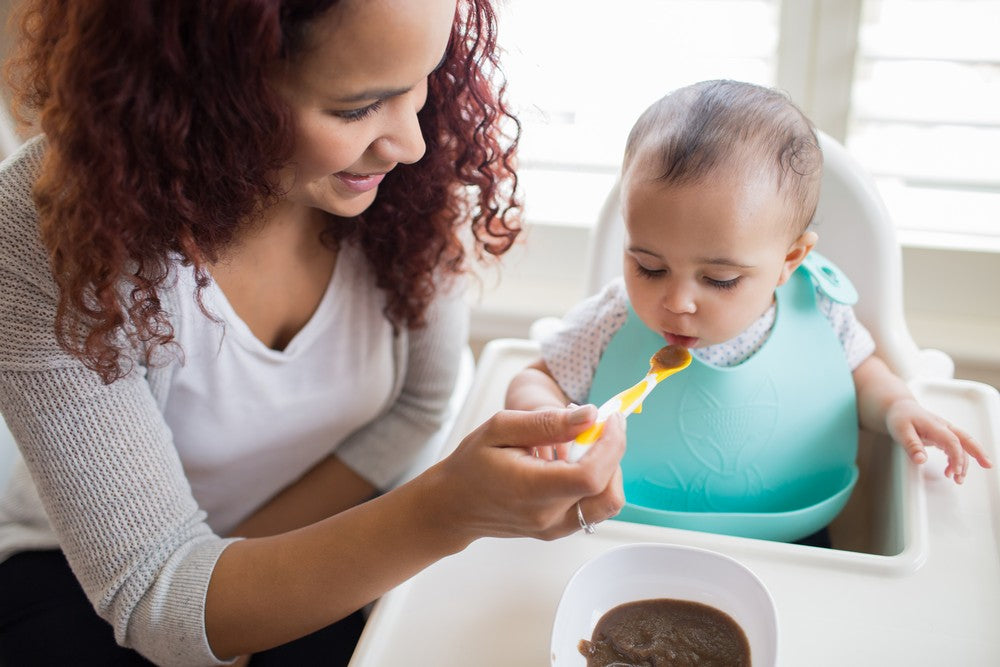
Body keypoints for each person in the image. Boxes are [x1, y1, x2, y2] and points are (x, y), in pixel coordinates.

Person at [0, 1, 627, 665]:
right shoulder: (47, 233)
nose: (410, 142)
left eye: (421, 78)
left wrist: (242, 578)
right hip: (79, 586)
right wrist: (448, 509)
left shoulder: (403, 170)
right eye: (356, 109)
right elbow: (156, 593)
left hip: (308, 541)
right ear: (205, 88)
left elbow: (416, 408)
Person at [506, 79, 991, 546]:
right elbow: (536, 375)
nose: (677, 302)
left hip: (796, 534)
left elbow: (863, 375)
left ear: (789, 260)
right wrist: (541, 417)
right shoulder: (611, 319)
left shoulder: (818, 311)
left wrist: (900, 407)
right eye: (649, 266)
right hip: (628, 531)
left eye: (719, 279)